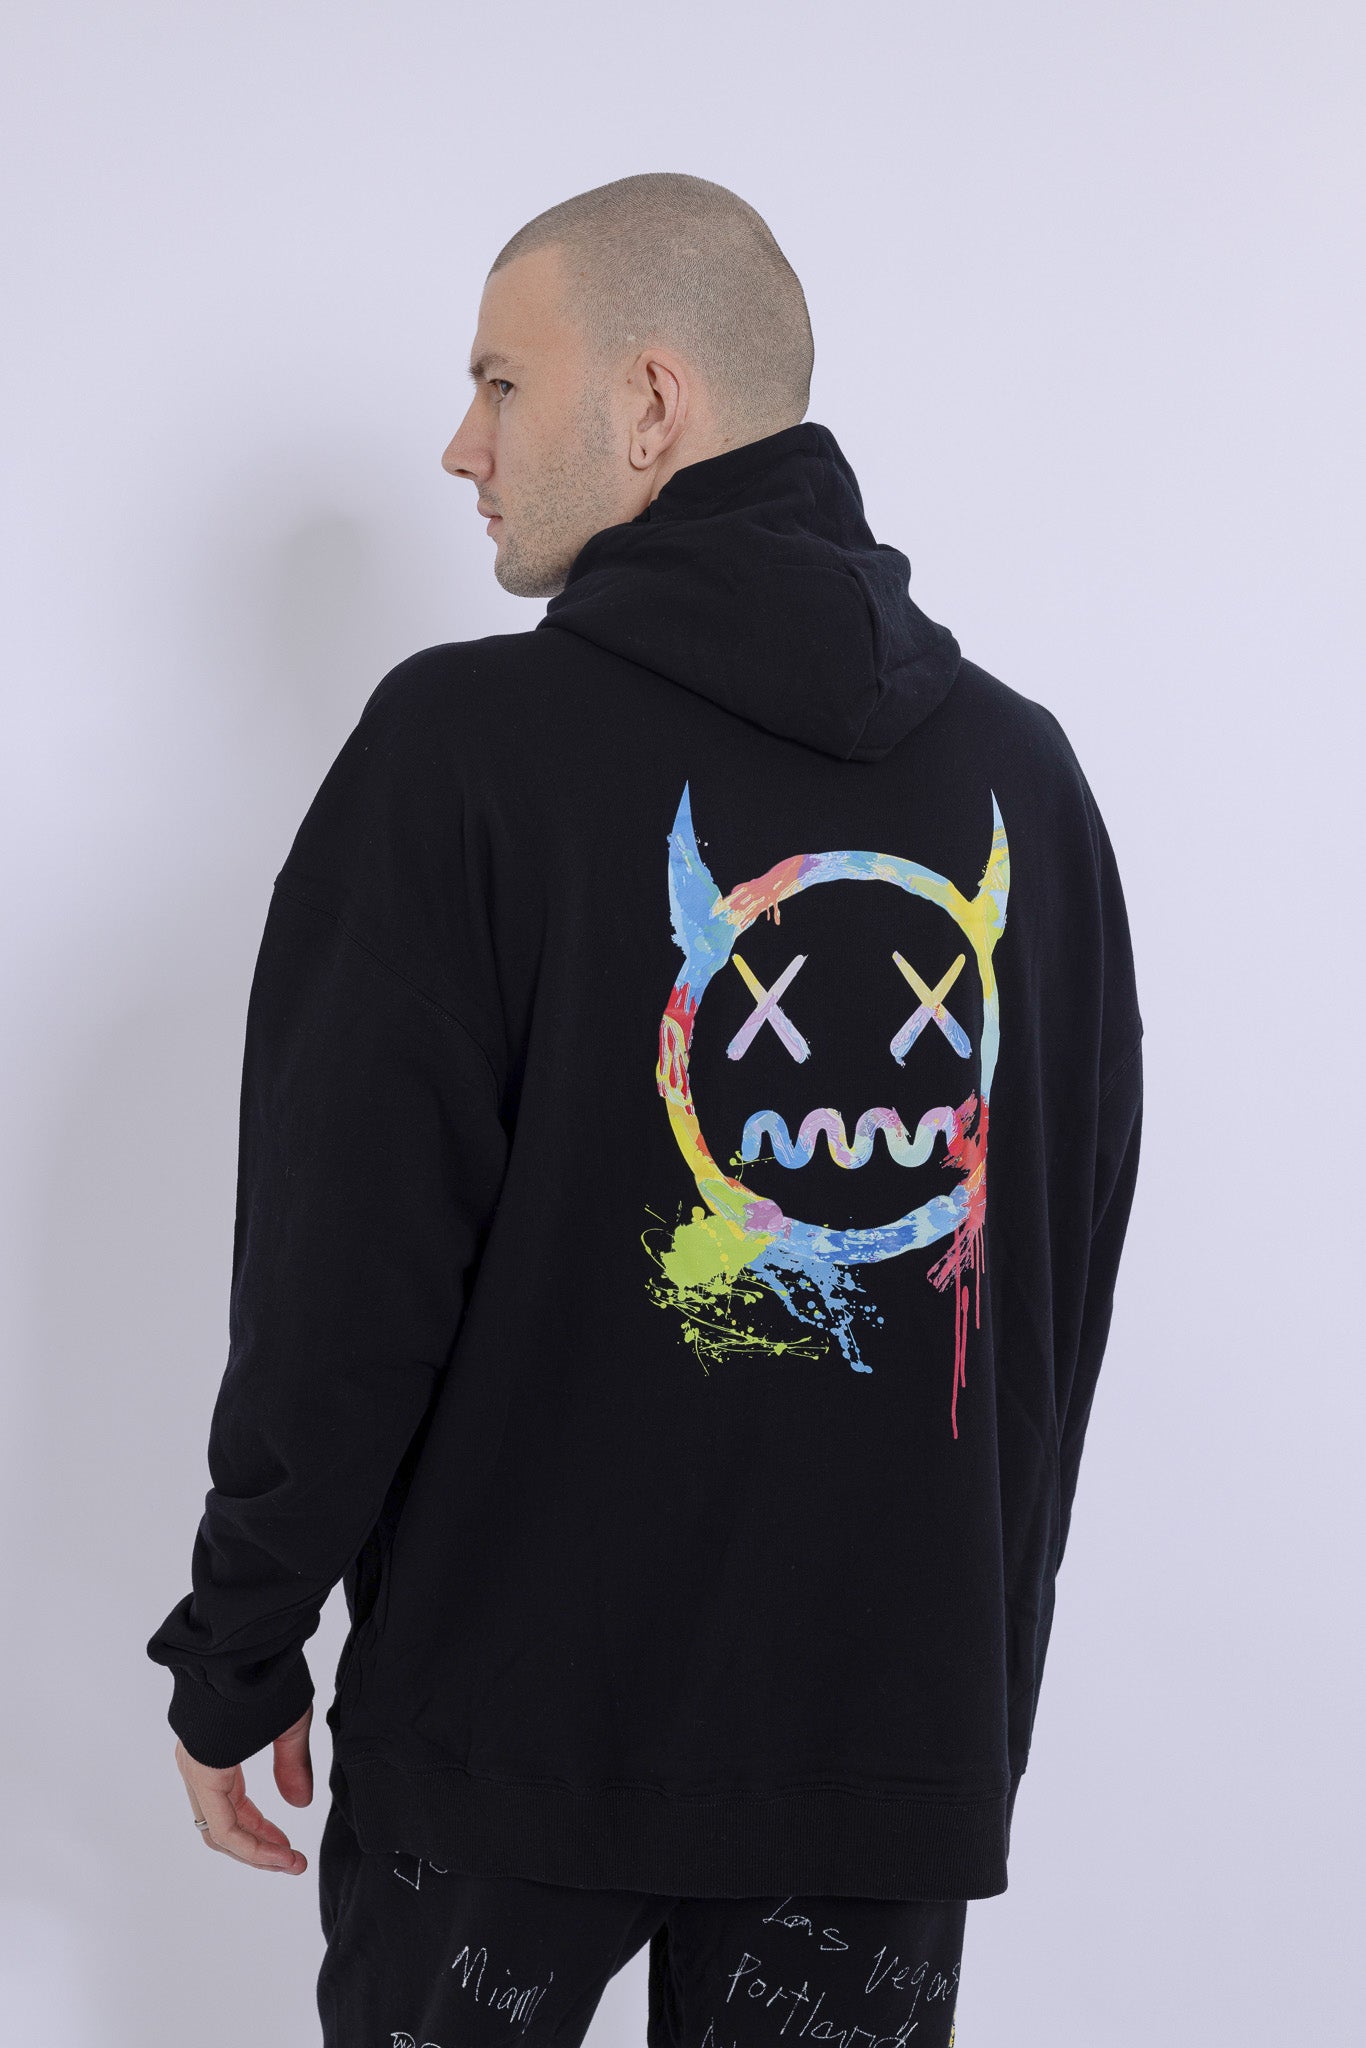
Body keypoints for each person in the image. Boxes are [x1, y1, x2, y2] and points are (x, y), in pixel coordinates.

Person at [146, 171, 1143, 2048]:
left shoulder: (461, 754)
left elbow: (343, 1274)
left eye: (499, 383)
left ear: (650, 403)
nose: (460, 447)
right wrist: (964, 1703)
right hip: (876, 1746)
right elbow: (1051, 1303)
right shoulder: (1022, 779)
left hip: (502, 1740)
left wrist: (239, 1639)